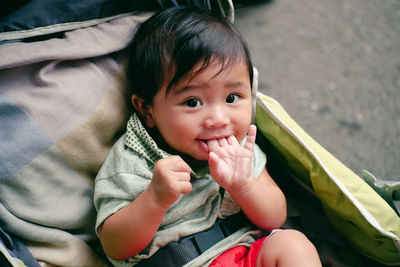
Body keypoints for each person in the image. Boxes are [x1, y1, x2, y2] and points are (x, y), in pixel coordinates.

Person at [94, 6, 322, 267]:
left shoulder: (239, 151)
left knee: (293, 244)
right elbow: (114, 246)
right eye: (192, 102)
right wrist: (155, 199)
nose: (218, 119)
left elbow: (275, 217)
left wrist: (244, 186)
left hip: (247, 253)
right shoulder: (132, 160)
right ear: (147, 110)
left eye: (231, 98)